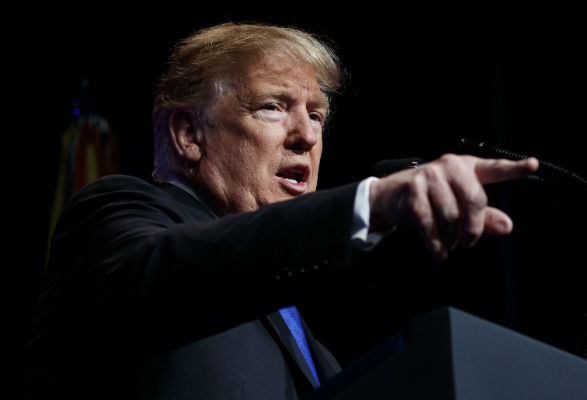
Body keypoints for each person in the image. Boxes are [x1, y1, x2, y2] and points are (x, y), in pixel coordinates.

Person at [26, 22, 539, 399]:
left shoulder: (312, 347)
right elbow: (176, 274)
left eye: (316, 115)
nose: (308, 135)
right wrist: (371, 202)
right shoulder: (115, 214)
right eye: (272, 106)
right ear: (188, 134)